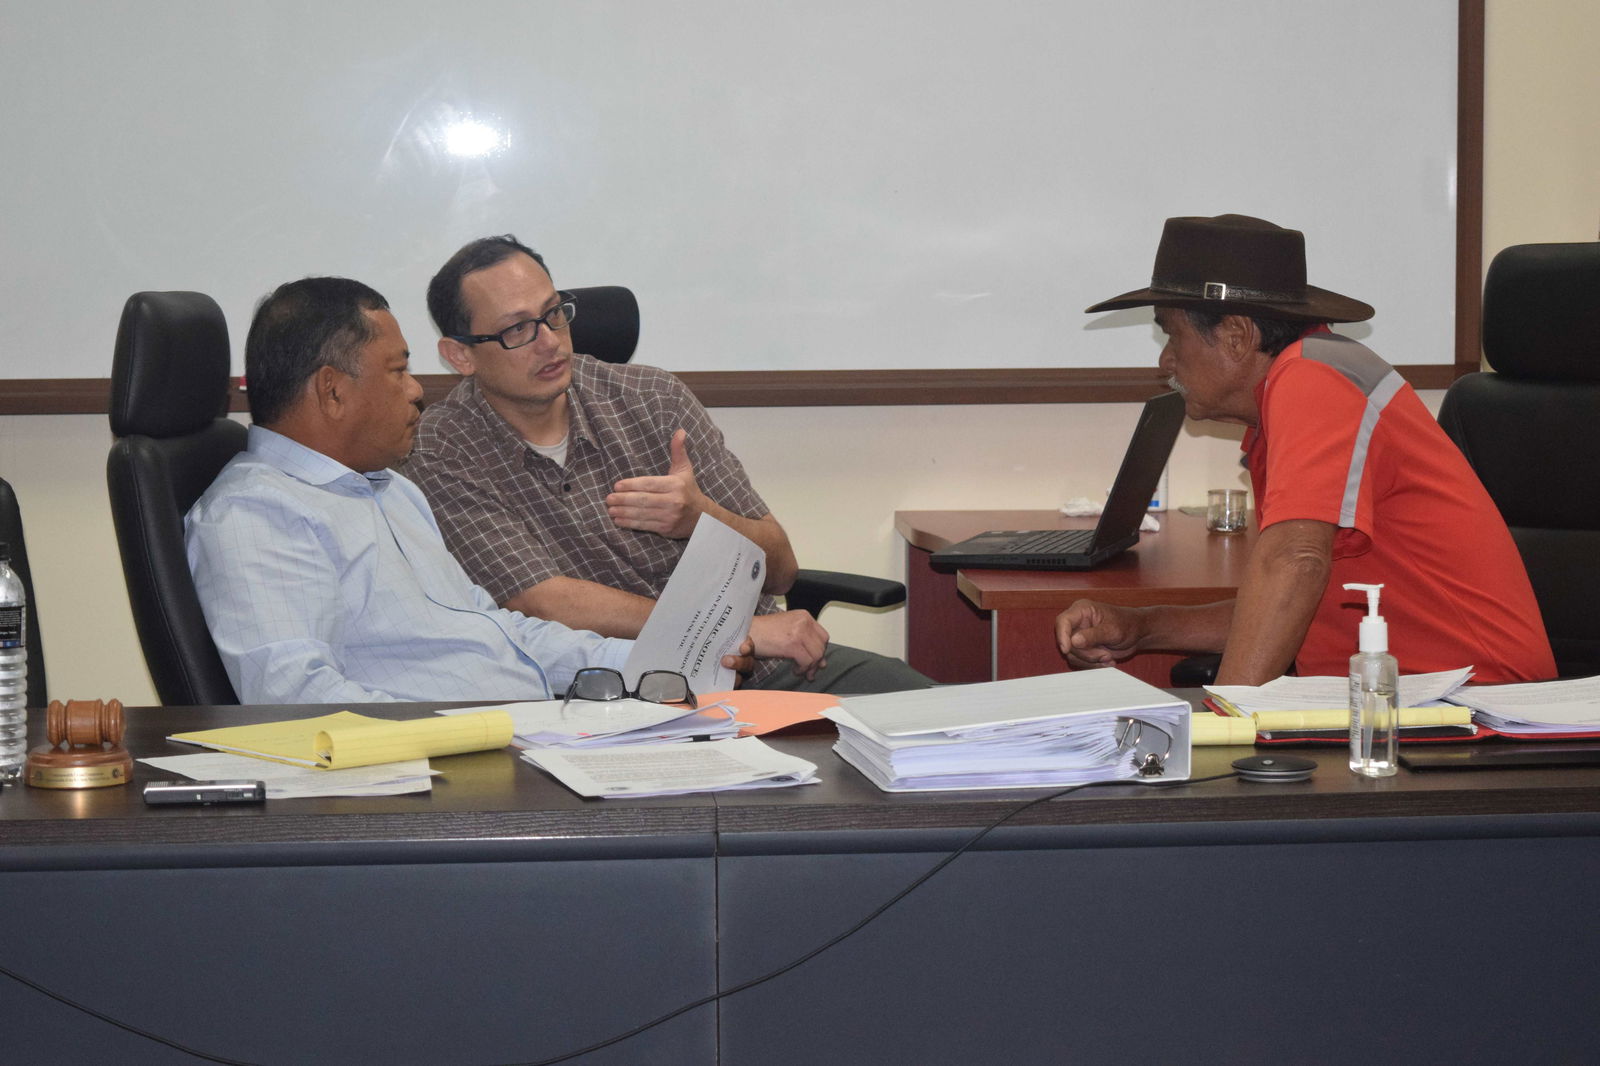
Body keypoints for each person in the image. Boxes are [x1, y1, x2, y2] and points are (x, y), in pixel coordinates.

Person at [402, 235, 933, 694]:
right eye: (517, 330)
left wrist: (701, 516)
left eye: (554, 313)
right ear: (460, 355)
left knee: (949, 724)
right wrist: (728, 630)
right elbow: (541, 602)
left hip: (766, 671)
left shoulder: (651, 397)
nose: (550, 340)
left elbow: (781, 569)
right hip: (606, 692)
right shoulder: (441, 447)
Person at [185, 276, 752, 704]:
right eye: (398, 371)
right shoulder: (255, 513)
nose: (415, 392)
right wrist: (488, 733)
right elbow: (294, 703)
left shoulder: (389, 492)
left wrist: (659, 664)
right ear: (332, 391)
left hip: (527, 735)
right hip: (451, 780)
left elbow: (497, 632)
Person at [1056, 214, 1555, 685]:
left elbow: (1294, 562)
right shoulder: (1294, 394)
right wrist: (1142, 627)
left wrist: (1226, 727)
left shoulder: (1312, 377)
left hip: (1473, 704)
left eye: (1171, 334)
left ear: (1235, 335)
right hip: (1403, 697)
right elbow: (1288, 601)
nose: (1165, 360)